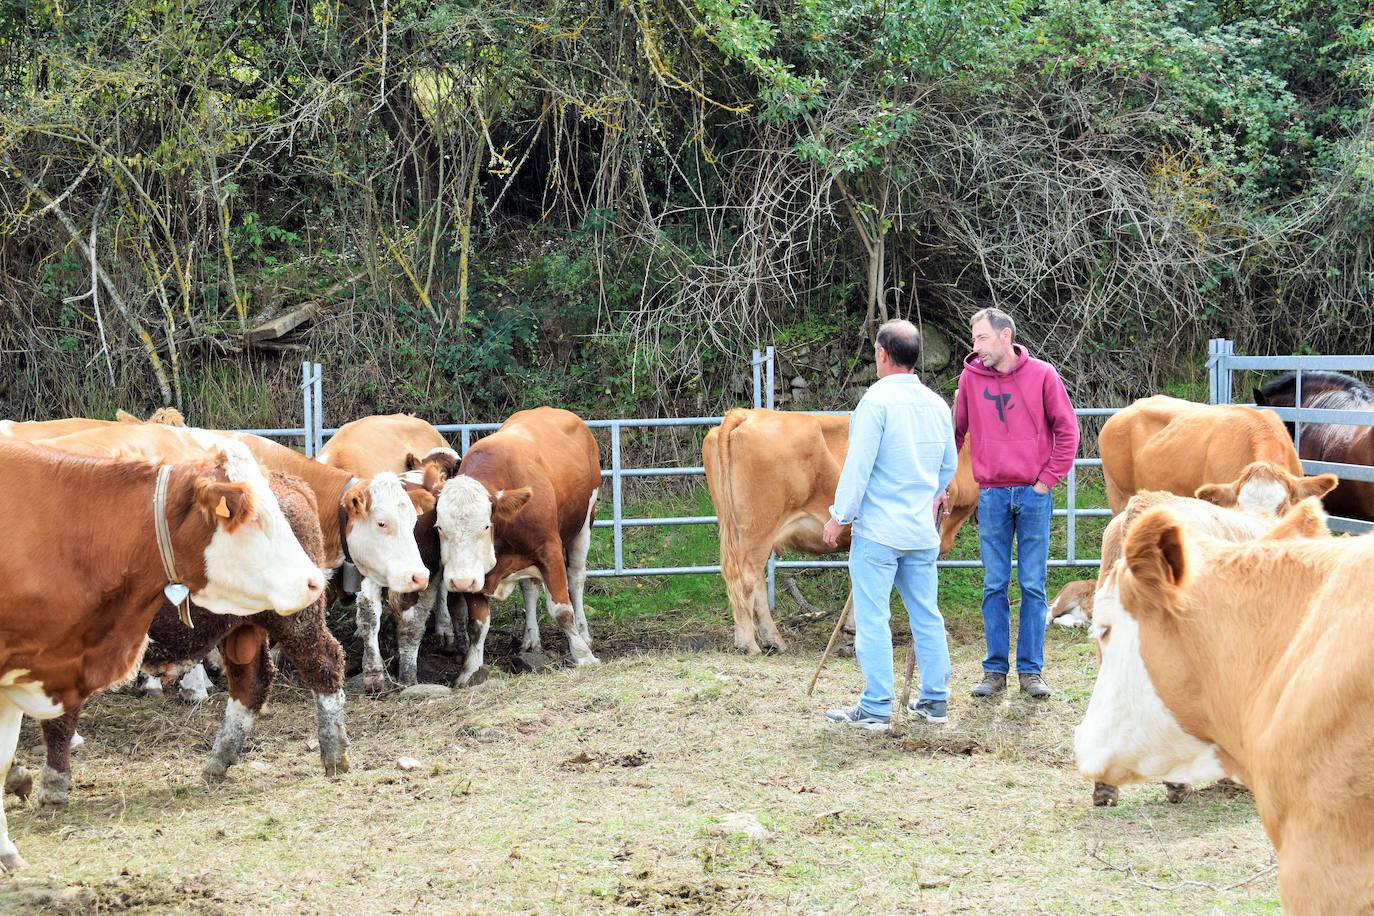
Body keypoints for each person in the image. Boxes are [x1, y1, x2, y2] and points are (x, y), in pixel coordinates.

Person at [821, 319, 959, 730]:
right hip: (919, 530)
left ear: (882, 354)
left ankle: (877, 705)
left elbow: (858, 466)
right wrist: (928, 495)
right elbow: (947, 467)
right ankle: (935, 699)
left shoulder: (875, 402)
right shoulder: (936, 405)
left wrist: (839, 516)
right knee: (926, 614)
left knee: (873, 615)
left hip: (879, 532)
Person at [954, 308, 1079, 699]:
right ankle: (994, 671)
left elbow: (1068, 431)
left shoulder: (1043, 375)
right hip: (991, 495)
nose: (975, 347)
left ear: (1005, 335)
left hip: (1032, 494)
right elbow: (954, 434)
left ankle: (1031, 671)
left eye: (982, 339)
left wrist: (1046, 482)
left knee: (1032, 584)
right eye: (974, 339)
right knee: (994, 584)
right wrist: (942, 481)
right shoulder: (970, 379)